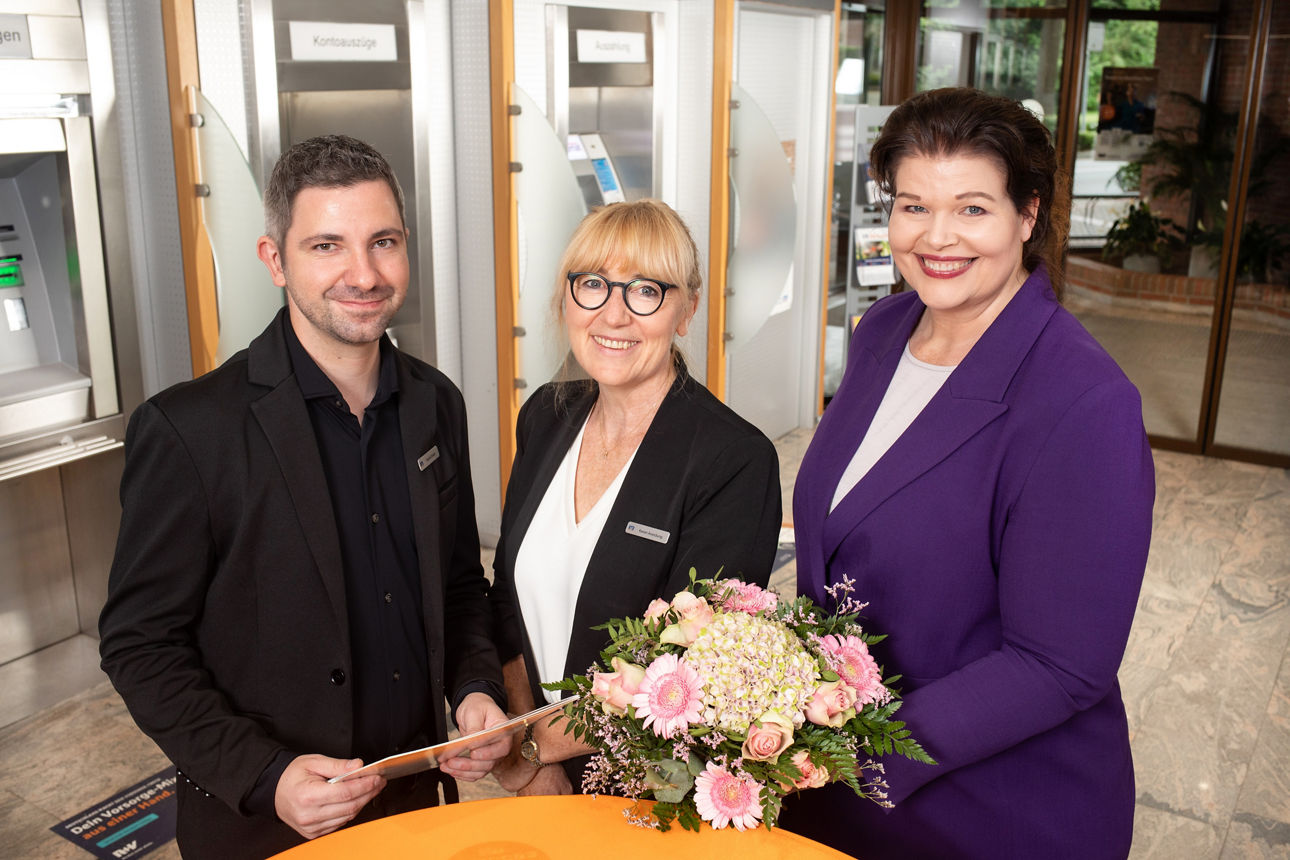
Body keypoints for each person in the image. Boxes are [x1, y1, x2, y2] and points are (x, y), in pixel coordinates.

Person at [99, 135, 509, 859]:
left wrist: (476, 687)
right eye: (326, 246)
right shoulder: (189, 429)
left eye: (383, 242)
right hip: (265, 827)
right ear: (275, 260)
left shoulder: (435, 404)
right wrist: (265, 776)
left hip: (416, 808)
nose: (364, 274)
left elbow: (456, 584)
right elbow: (141, 645)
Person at [779, 88, 1154, 858]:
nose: (936, 236)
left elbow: (1057, 666)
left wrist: (856, 752)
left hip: (988, 809)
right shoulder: (884, 330)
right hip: (836, 784)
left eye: (972, 209)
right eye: (913, 205)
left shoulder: (1085, 401)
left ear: (1028, 215)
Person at [488, 200, 782, 795]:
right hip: (531, 772)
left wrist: (537, 748)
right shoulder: (545, 416)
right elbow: (506, 602)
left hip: (643, 788)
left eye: (646, 290)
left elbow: (692, 664)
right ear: (567, 297)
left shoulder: (733, 459)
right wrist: (526, 758)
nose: (614, 314)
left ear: (686, 310)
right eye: (593, 284)